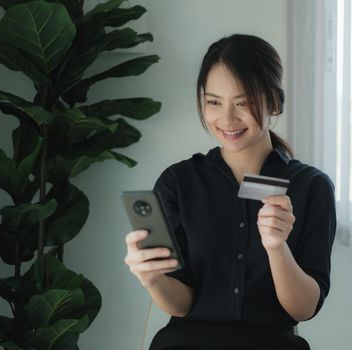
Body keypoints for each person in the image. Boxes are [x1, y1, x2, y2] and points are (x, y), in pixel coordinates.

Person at [124, 34, 337, 350]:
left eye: (243, 102)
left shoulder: (311, 187)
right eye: (213, 102)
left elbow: (303, 309)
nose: (226, 119)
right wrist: (152, 278)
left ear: (274, 102)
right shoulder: (178, 182)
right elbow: (180, 304)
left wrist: (277, 247)